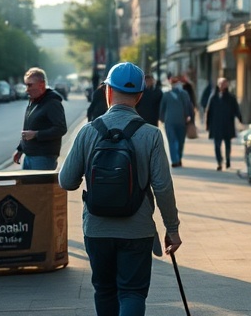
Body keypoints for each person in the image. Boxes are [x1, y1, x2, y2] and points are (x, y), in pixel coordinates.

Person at [59, 62, 181, 316]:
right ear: (139, 96)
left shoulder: (88, 131)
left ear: (107, 91)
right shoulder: (151, 135)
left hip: (97, 228)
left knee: (104, 290)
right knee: (132, 292)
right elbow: (163, 187)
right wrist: (172, 229)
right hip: (137, 230)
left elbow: (67, 181)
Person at [12, 67, 67, 170]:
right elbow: (28, 128)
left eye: (30, 85)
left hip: (43, 157)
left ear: (41, 84)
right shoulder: (33, 101)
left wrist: (36, 134)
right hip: (29, 155)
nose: (26, 89)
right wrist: (20, 149)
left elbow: (61, 128)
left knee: (39, 186)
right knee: (25, 186)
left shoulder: (52, 103)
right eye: (26, 85)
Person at [205, 77, 243, 171]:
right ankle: (219, 162)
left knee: (228, 145)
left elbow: (236, 110)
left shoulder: (231, 98)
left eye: (224, 83)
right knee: (217, 145)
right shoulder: (213, 97)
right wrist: (208, 124)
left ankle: (228, 160)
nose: (222, 85)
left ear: (227, 85)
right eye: (221, 83)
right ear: (218, 85)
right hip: (216, 125)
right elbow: (208, 111)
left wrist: (240, 119)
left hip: (227, 125)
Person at [158, 76, 194, 168]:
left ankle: (176, 159)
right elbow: (188, 107)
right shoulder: (170, 94)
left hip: (171, 121)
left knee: (175, 141)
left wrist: (162, 119)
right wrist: (189, 117)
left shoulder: (181, 94)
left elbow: (162, 109)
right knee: (178, 141)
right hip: (178, 121)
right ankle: (176, 160)